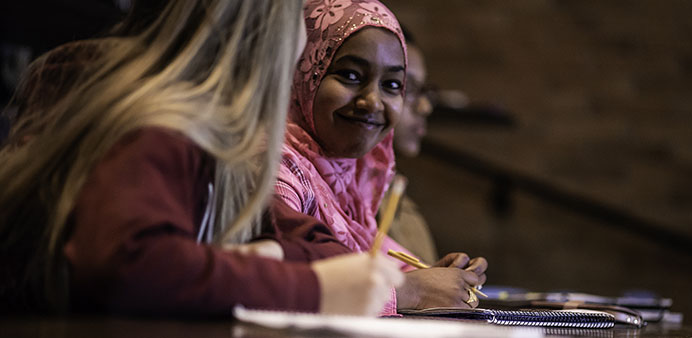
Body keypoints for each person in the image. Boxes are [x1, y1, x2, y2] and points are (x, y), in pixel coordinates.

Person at [0, 0, 403, 316]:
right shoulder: (159, 120)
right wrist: (312, 288)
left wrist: (274, 254)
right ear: (267, 32)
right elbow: (130, 266)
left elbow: (316, 245)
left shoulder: (216, 138)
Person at [274, 0, 487, 315]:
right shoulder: (272, 168)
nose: (372, 101)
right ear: (303, 72)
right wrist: (408, 290)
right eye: (349, 75)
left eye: (391, 85)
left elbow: (381, 259)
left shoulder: (349, 185)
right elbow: (273, 282)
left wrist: (437, 276)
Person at [383, 27, 439, 264]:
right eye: (408, 88)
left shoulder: (402, 204)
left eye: (424, 90)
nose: (425, 107)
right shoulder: (342, 204)